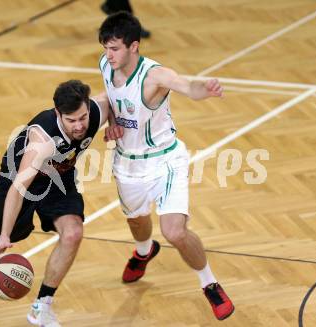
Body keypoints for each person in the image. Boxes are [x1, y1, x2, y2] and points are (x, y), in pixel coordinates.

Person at [98, 12, 235, 320]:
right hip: (127, 163)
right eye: (106, 47)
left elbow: (187, 87)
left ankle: (209, 283)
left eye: (116, 48)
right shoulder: (106, 64)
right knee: (137, 221)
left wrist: (205, 89)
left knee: (174, 231)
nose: (109, 54)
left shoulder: (155, 75)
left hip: (165, 160)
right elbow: (110, 97)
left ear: (134, 46)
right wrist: (110, 120)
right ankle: (144, 252)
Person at [0, 80, 112, 327]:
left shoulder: (97, 110)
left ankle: (42, 305)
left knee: (73, 233)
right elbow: (17, 189)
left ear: (88, 107)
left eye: (82, 118)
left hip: (59, 180)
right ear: (58, 114)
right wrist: (5, 236)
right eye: (71, 120)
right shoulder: (42, 140)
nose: (79, 126)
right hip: (18, 182)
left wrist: (115, 124)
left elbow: (116, 96)